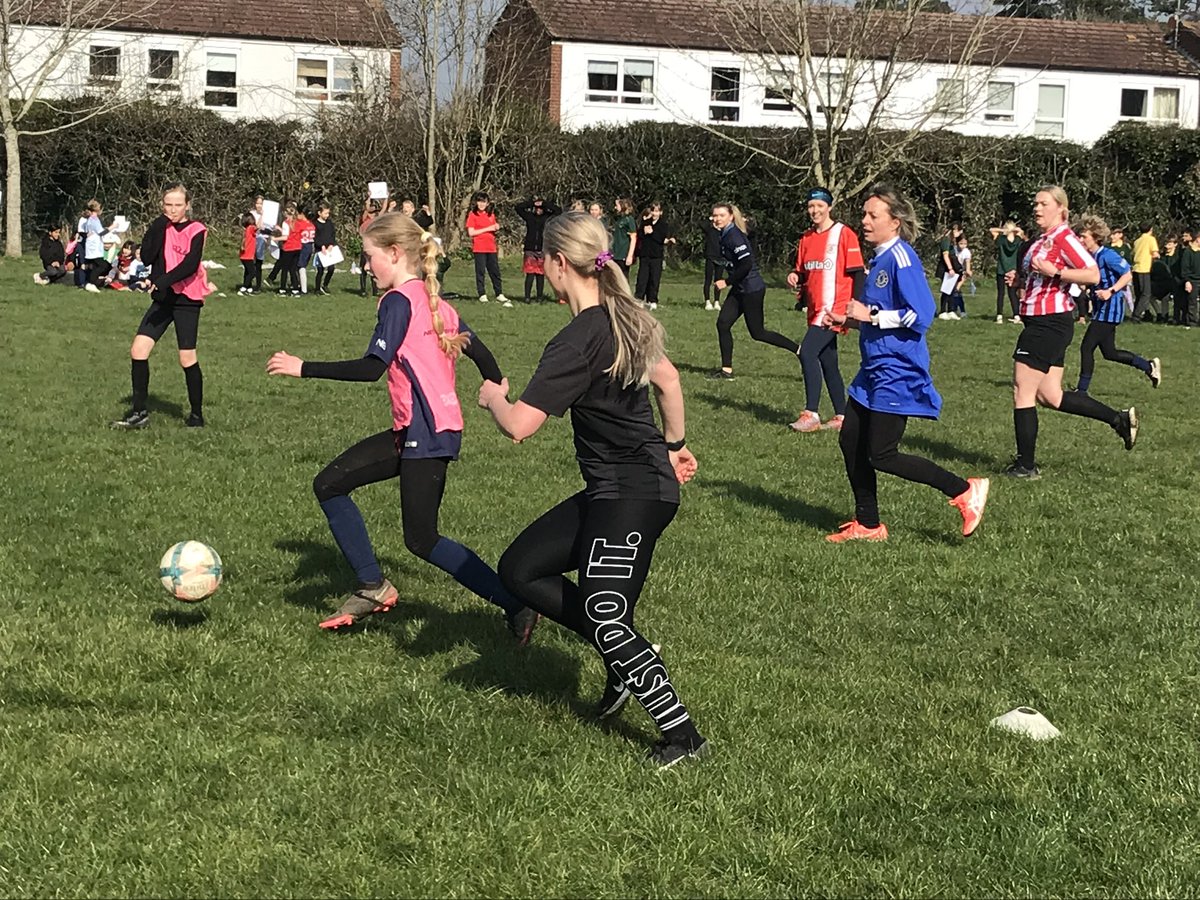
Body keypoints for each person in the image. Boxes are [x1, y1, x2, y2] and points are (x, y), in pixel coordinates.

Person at [478, 212, 707, 768]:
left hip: (634, 494)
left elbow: (520, 426)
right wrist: (675, 443)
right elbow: (670, 381)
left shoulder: (578, 338)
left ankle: (683, 737)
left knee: (605, 613)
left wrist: (491, 400)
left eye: (542, 260)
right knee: (522, 569)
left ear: (559, 264)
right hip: (618, 488)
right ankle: (627, 655)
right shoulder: (617, 317)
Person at [265, 212, 538, 641]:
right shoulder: (435, 302)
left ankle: (516, 602)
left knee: (422, 539)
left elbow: (372, 368)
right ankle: (373, 586)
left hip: (425, 434)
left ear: (394, 254)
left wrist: (304, 368)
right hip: (420, 430)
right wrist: (497, 387)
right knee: (330, 484)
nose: (364, 265)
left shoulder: (399, 301)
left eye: (368, 256)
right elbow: (481, 354)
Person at [822, 184, 988, 543]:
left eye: (872, 215)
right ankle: (868, 524)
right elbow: (873, 315)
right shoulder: (880, 259)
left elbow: (922, 314)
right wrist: (845, 319)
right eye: (864, 214)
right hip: (873, 369)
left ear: (894, 222)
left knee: (882, 454)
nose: (864, 221)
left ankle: (964, 490)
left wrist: (873, 314)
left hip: (897, 370)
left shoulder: (901, 258)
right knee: (851, 439)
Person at [1002, 186, 1138, 479]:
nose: (1036, 208)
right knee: (1051, 396)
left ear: (1061, 209)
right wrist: (1019, 279)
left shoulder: (1065, 238)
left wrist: (1056, 273)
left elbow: (1092, 274)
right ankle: (1119, 419)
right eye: (1035, 203)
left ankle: (1026, 466)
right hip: (1042, 320)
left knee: (1022, 390)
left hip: (1049, 322)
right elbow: (1040, 275)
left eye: (1043, 204)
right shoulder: (1041, 240)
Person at [112, 183, 214, 430]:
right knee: (138, 350)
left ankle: (196, 416)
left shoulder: (197, 229)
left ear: (187, 205)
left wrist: (161, 282)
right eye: (168, 204)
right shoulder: (162, 226)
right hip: (164, 298)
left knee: (186, 357)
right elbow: (147, 256)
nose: (173, 209)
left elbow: (190, 265)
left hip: (186, 299)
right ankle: (139, 413)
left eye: (178, 205)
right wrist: (157, 225)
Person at [786, 187, 863, 432]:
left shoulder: (844, 234)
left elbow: (857, 272)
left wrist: (855, 307)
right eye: (811, 206)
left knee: (806, 352)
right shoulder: (807, 238)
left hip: (834, 309)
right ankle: (842, 416)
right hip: (816, 309)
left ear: (829, 207)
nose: (814, 210)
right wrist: (795, 276)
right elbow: (803, 271)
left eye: (819, 206)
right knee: (828, 361)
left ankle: (811, 414)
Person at [709, 203, 800, 380]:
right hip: (740, 289)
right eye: (715, 216)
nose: (717, 219)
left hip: (752, 289)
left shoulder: (734, 236)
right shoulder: (724, 234)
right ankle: (726, 370)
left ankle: (799, 350)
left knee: (758, 333)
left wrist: (726, 282)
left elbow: (746, 265)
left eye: (721, 215)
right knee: (723, 324)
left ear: (730, 217)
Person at [1074, 215, 1160, 395]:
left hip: (1110, 309)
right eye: (1080, 236)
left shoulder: (1108, 255)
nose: (1081, 240)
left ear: (1096, 237)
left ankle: (1081, 391)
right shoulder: (1090, 257)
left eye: (1084, 237)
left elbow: (1128, 274)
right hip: (1100, 309)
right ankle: (1148, 366)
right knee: (1109, 353)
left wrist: (1110, 291)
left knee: (1086, 347)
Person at [466, 191, 511, 307]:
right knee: (480, 271)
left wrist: (496, 227)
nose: (481, 204)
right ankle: (482, 294)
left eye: (483, 202)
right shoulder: (472, 215)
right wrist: (488, 228)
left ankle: (499, 293)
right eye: (479, 201)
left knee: (495, 271)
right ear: (476, 203)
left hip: (491, 247)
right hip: (479, 248)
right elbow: (471, 232)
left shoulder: (491, 215)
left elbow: (494, 227)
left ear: (487, 203)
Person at [515, 196, 561, 302]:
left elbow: (558, 211)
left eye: (540, 208)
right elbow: (518, 208)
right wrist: (532, 203)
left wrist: (544, 203)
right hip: (530, 248)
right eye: (537, 208)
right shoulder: (529, 217)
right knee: (530, 274)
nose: (538, 210)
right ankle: (527, 297)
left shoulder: (547, 218)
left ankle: (539, 297)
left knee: (540, 274)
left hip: (542, 248)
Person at [633, 202, 673, 310]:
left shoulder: (663, 225)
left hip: (656, 256)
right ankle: (639, 298)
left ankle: (653, 300)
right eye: (653, 211)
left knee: (654, 278)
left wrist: (652, 232)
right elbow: (639, 235)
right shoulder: (645, 222)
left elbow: (662, 238)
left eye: (656, 211)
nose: (654, 213)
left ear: (660, 212)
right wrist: (644, 232)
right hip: (645, 255)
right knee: (642, 277)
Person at [990, 221, 1025, 323]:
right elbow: (1021, 232)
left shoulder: (1001, 240)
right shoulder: (1018, 240)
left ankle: (999, 315)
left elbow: (991, 230)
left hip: (1001, 269)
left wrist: (1003, 230)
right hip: (1013, 270)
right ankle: (1016, 315)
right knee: (1013, 294)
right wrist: (1014, 230)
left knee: (1001, 293)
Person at [1131, 222, 1161, 322]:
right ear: (1151, 229)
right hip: (1144, 269)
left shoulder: (1137, 241)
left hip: (1135, 268)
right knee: (1146, 294)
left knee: (1139, 294)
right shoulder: (1150, 239)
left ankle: (1137, 313)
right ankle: (1137, 315)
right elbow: (1155, 254)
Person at [935, 222, 963, 317]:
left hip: (952, 267)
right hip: (945, 268)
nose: (959, 234)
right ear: (955, 230)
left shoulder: (952, 240)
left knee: (952, 289)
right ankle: (942, 311)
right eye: (959, 232)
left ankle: (951, 310)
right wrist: (950, 268)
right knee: (946, 290)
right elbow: (945, 255)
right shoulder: (946, 240)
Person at [80, 200, 106, 293]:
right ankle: (91, 283)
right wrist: (113, 227)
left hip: (94, 246)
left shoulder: (90, 219)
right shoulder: (94, 220)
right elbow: (101, 232)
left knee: (95, 266)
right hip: (94, 248)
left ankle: (92, 282)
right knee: (102, 265)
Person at [701, 214, 724, 311]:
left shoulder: (724, 232)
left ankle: (717, 301)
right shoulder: (709, 230)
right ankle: (707, 301)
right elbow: (701, 224)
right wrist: (710, 218)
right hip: (710, 257)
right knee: (708, 280)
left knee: (718, 281)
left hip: (721, 259)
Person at [313, 203, 336, 295]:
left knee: (331, 268)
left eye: (328, 213)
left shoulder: (329, 223)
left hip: (329, 249)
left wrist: (331, 244)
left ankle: (325, 285)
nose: (327, 215)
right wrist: (321, 246)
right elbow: (315, 237)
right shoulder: (315, 224)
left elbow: (332, 234)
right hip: (320, 250)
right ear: (319, 213)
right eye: (325, 213)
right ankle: (317, 288)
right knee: (320, 270)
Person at [610, 198, 636, 277]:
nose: (615, 207)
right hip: (615, 253)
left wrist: (630, 255)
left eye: (617, 205)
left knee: (623, 278)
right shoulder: (619, 219)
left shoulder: (629, 219)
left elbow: (633, 238)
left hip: (623, 254)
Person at [1179, 230, 1200, 328]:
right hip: (1192, 280)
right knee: (1192, 302)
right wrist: (1187, 281)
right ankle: (1192, 322)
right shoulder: (1188, 252)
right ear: (1197, 239)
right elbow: (1185, 268)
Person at [238, 213, 258, 295]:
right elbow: (258, 227)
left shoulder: (246, 229)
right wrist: (262, 215)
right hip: (248, 256)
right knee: (252, 272)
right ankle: (244, 287)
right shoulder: (251, 228)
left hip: (244, 256)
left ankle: (249, 288)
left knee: (247, 272)